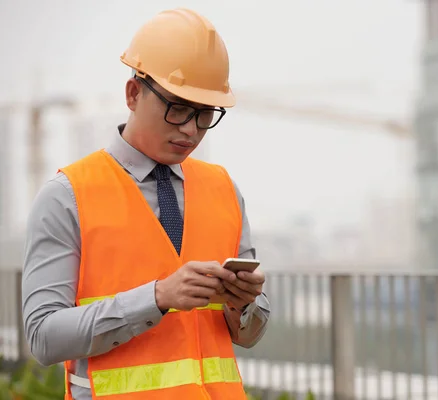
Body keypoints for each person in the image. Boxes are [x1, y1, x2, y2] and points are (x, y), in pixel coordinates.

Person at [21, 8, 270, 400]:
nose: (190, 129)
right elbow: (43, 337)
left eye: (205, 114)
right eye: (178, 108)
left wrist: (244, 306)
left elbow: (251, 335)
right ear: (133, 93)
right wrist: (155, 298)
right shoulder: (67, 195)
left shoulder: (224, 189)